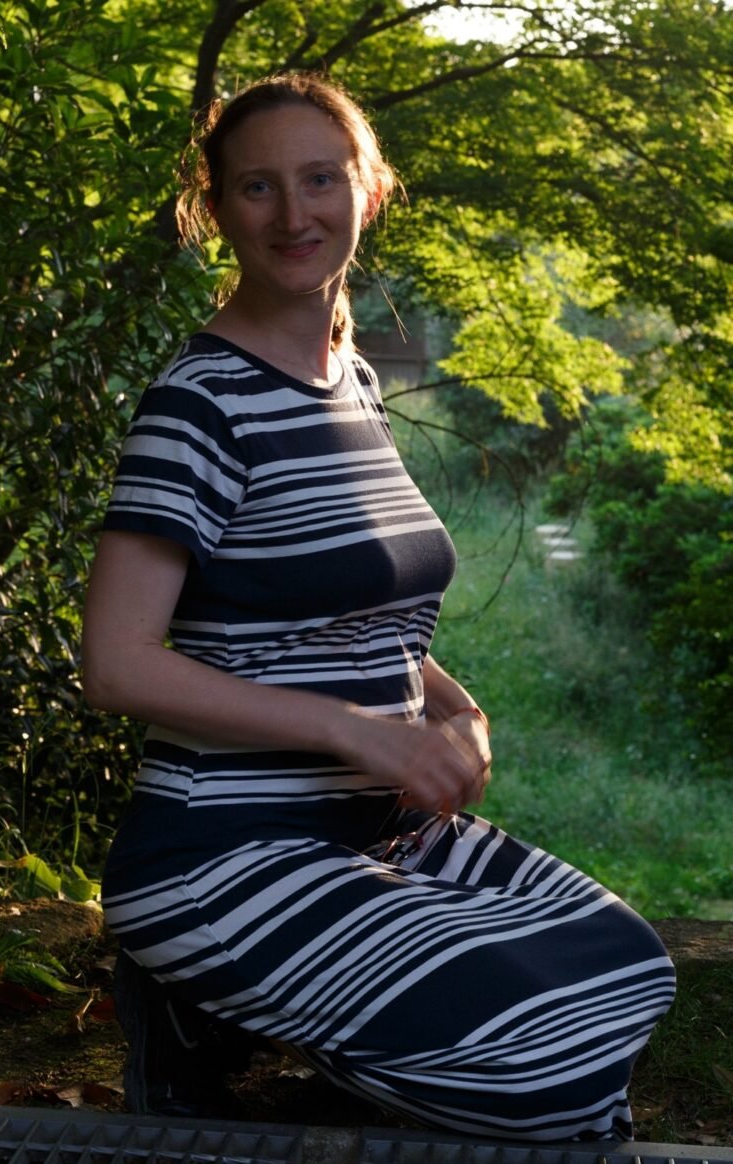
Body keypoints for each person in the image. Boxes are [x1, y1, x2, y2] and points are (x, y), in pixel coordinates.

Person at [81, 72, 675, 1141]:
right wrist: (356, 731)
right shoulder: (198, 404)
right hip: (222, 852)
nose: (292, 213)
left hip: (381, 834)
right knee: (556, 1077)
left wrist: (457, 711)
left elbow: (363, 615)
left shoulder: (350, 379)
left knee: (631, 973)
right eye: (257, 187)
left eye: (320, 179)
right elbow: (116, 663)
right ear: (216, 208)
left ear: (371, 190)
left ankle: (260, 1036)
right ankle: (197, 1031)